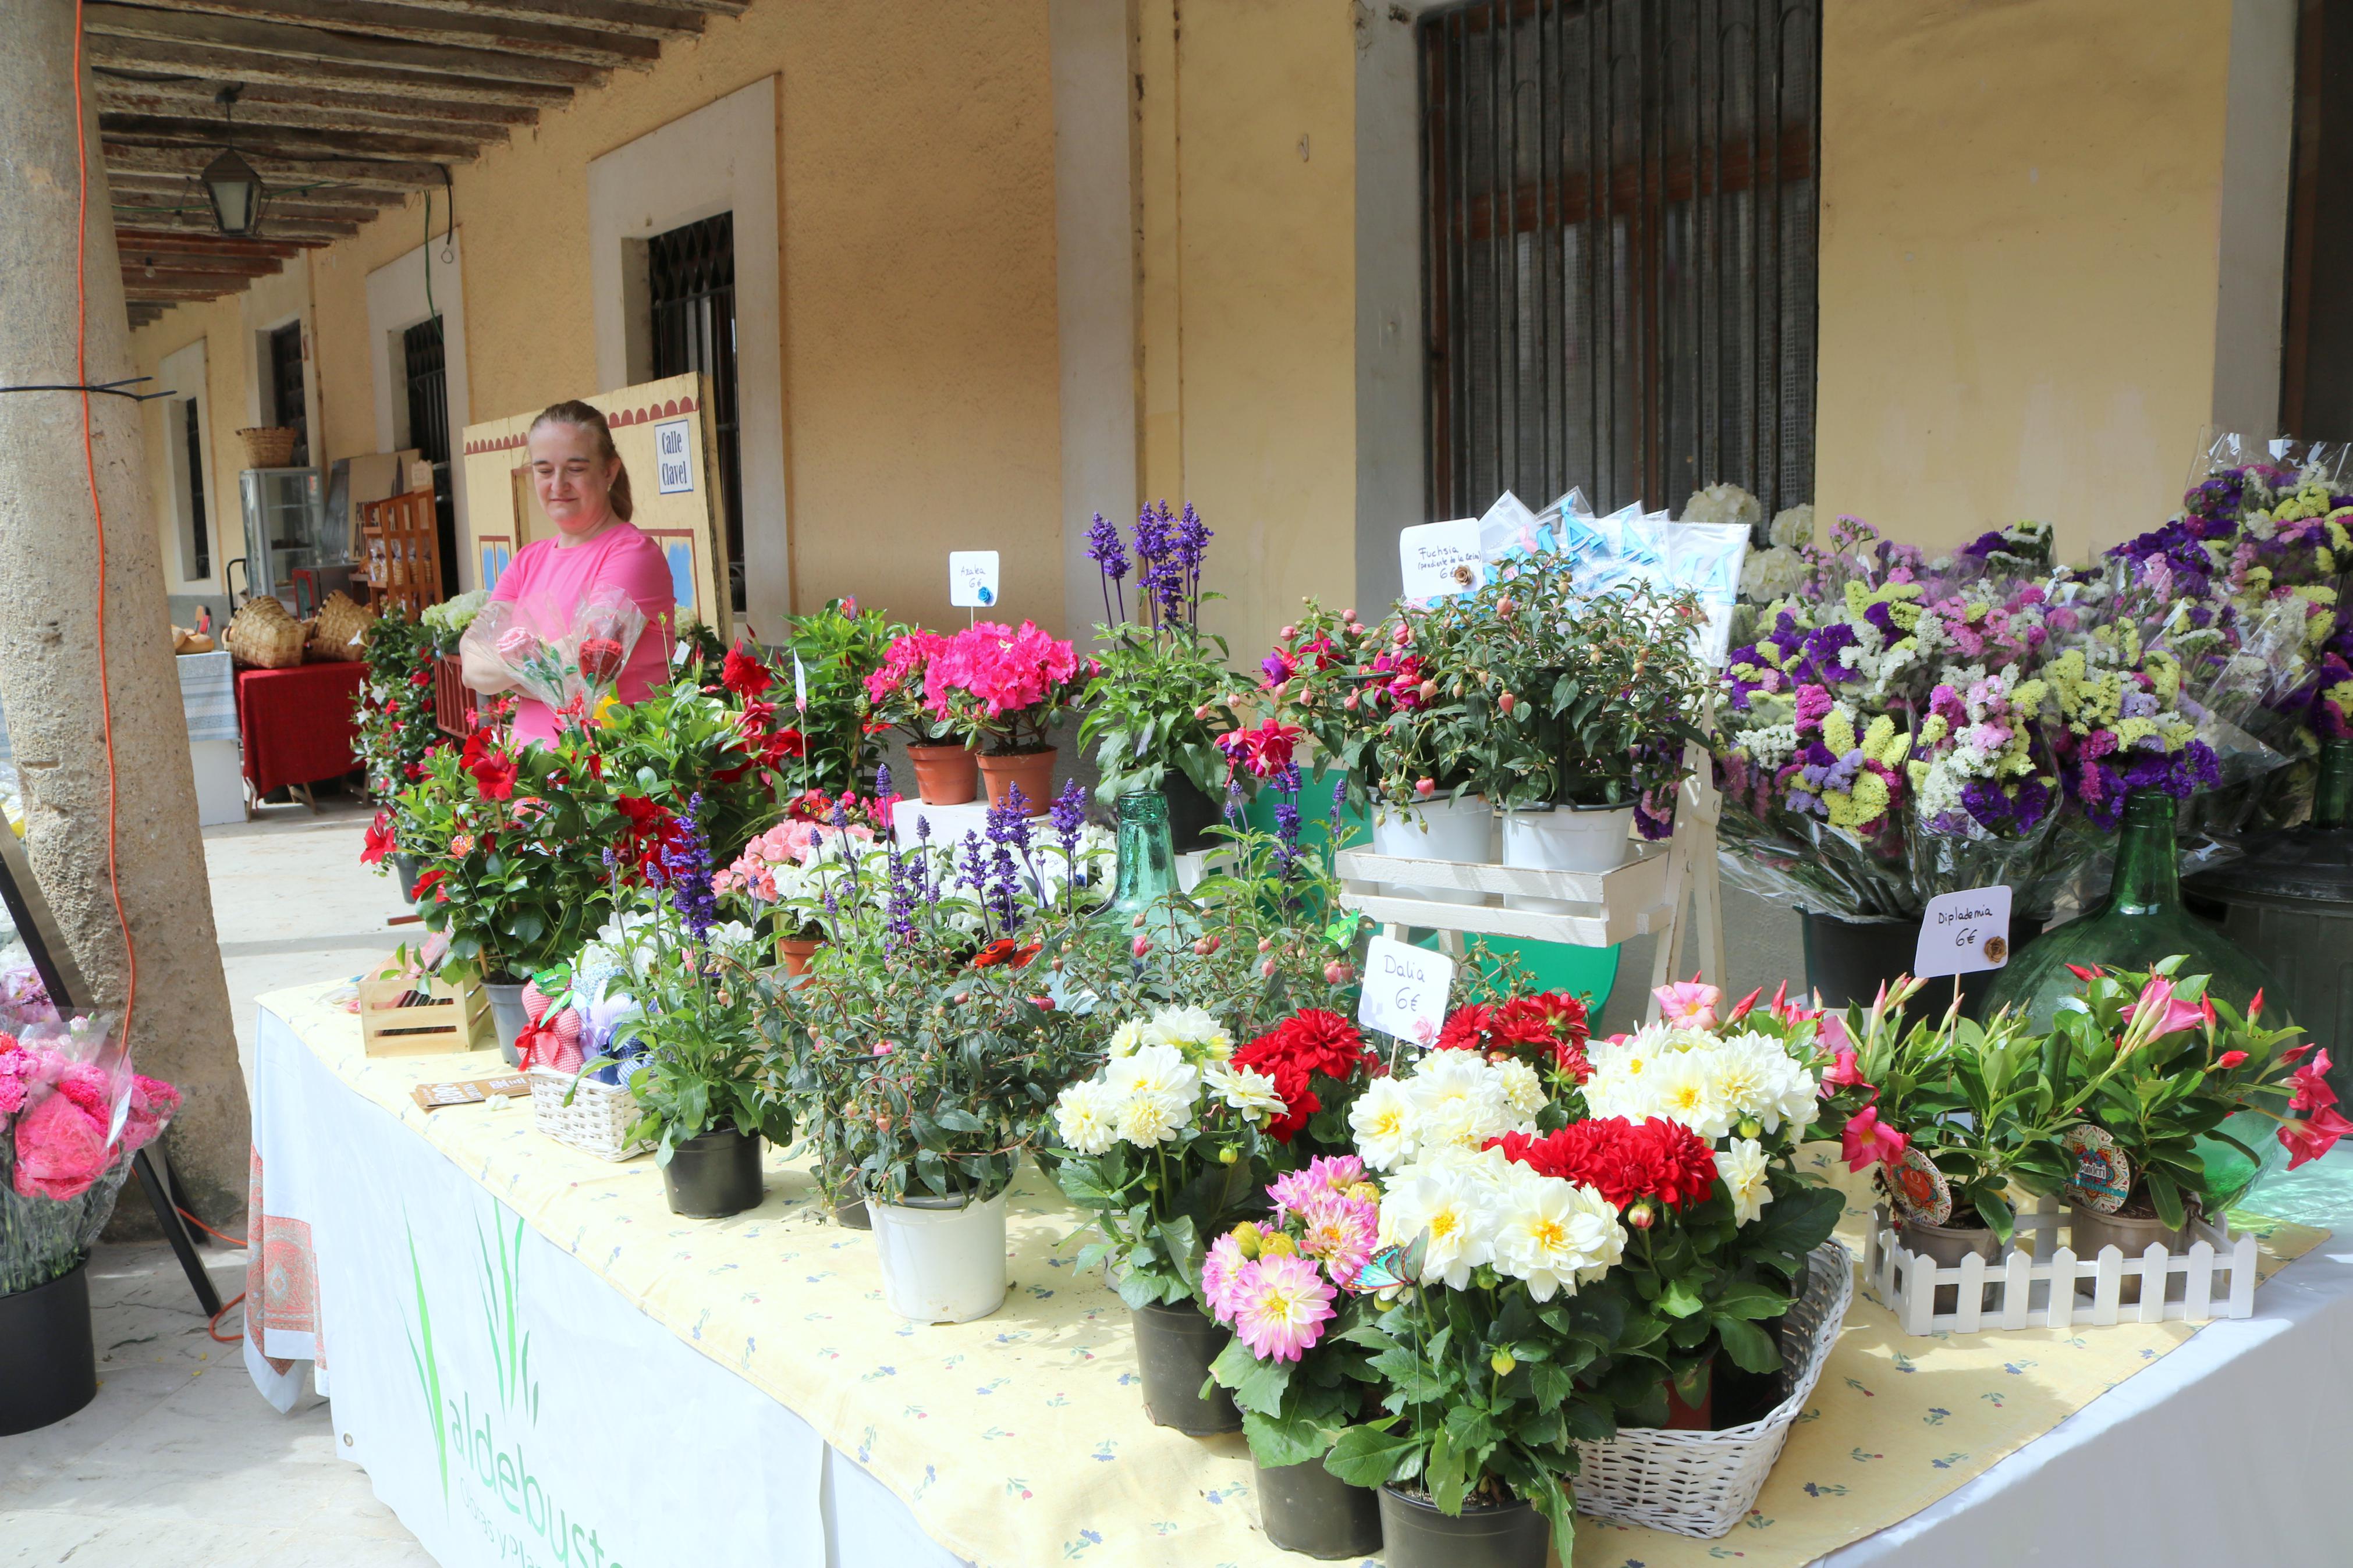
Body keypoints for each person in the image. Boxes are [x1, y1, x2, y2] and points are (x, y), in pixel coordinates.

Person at [461, 400, 676, 746]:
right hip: (532, 769)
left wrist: (507, 673)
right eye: (544, 470)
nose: (558, 484)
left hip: (610, 768)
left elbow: (591, 664)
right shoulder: (528, 560)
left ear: (609, 471)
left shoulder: (632, 554)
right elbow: (471, 667)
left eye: (575, 468)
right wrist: (542, 672)